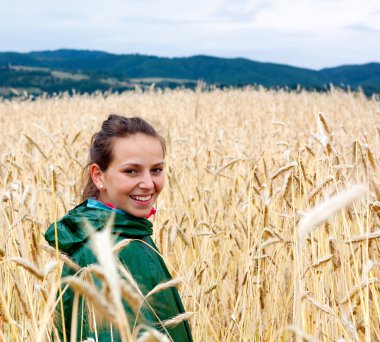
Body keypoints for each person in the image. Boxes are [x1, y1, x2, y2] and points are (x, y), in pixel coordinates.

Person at [45, 115, 193, 341]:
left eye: (156, 170)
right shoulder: (108, 250)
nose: (148, 184)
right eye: (131, 171)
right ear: (99, 176)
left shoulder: (130, 233)